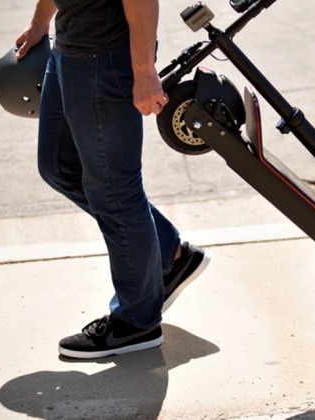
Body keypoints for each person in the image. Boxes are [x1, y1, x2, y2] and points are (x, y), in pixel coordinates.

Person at [15, 0, 209, 359]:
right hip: (69, 50)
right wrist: (42, 22)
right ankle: (168, 255)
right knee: (59, 166)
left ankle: (137, 321)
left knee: (115, 190)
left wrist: (144, 70)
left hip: (102, 59)